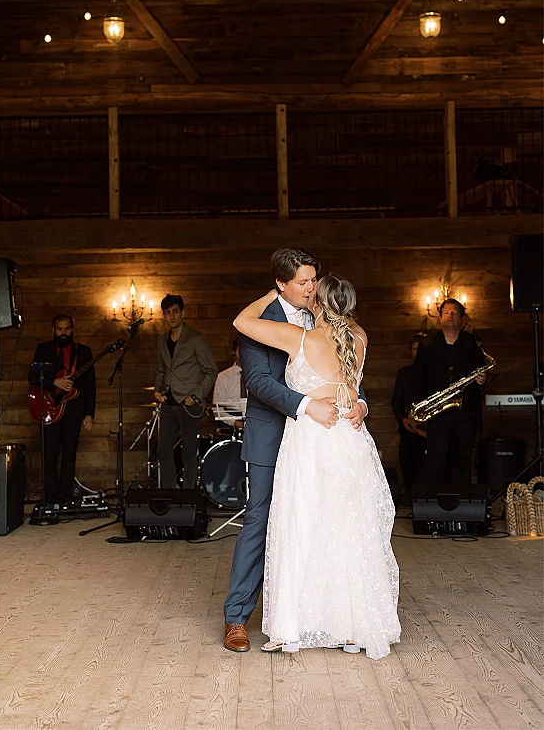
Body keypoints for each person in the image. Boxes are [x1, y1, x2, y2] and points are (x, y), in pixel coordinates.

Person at [232, 274, 400, 659]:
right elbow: (351, 388)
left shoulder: (299, 338)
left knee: (300, 526)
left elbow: (242, 322)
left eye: (313, 289)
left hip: (310, 438)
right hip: (350, 440)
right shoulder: (359, 337)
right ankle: (352, 629)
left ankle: (290, 628)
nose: (307, 291)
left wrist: (273, 293)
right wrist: (361, 405)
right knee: (348, 530)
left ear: (318, 304)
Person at [411, 299, 488, 484]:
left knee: (462, 459)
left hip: (466, 412)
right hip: (438, 412)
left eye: (454, 313)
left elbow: (481, 371)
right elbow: (418, 377)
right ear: (440, 318)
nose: (450, 316)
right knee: (436, 459)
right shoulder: (427, 344)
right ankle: (434, 499)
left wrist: (482, 379)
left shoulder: (473, 343)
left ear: (461, 318)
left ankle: (461, 499)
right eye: (446, 313)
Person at [29, 315, 95, 506]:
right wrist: (54, 382)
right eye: (59, 329)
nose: (63, 333)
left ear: (72, 329)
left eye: (67, 329)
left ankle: (65, 497)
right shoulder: (43, 349)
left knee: (69, 454)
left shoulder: (83, 352)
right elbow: (33, 377)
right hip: (48, 407)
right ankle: (49, 498)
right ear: (53, 330)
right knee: (49, 454)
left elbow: (90, 386)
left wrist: (89, 413)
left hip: (74, 410)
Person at [154, 294, 217, 489]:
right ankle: (170, 494)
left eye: (175, 311)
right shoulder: (162, 339)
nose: (171, 316)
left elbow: (211, 372)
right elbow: (162, 369)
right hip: (169, 402)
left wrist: (195, 397)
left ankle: (188, 496)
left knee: (189, 451)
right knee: (163, 450)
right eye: (167, 312)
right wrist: (157, 390)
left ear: (182, 312)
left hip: (189, 404)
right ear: (163, 315)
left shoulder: (196, 338)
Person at [391, 333, 427, 502]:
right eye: (414, 349)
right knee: (406, 452)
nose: (418, 352)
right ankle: (409, 493)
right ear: (411, 352)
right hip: (410, 425)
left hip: (434, 427)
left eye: (421, 349)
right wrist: (403, 420)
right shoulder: (403, 374)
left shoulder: (436, 373)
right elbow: (396, 401)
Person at [212, 338, 246, 430]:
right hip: (231, 420)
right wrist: (233, 421)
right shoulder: (224, 377)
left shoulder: (257, 376)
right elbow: (217, 408)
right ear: (233, 352)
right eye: (241, 350)